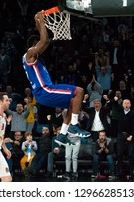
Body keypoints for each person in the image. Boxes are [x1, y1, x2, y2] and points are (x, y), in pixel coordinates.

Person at [22, 11, 90, 146]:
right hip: (44, 90)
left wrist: (38, 22)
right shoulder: (29, 54)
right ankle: (74, 125)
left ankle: (63, 135)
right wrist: (41, 20)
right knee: (79, 91)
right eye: (37, 46)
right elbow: (44, 41)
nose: (41, 48)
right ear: (33, 46)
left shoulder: (35, 58)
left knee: (73, 103)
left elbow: (45, 43)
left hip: (43, 93)